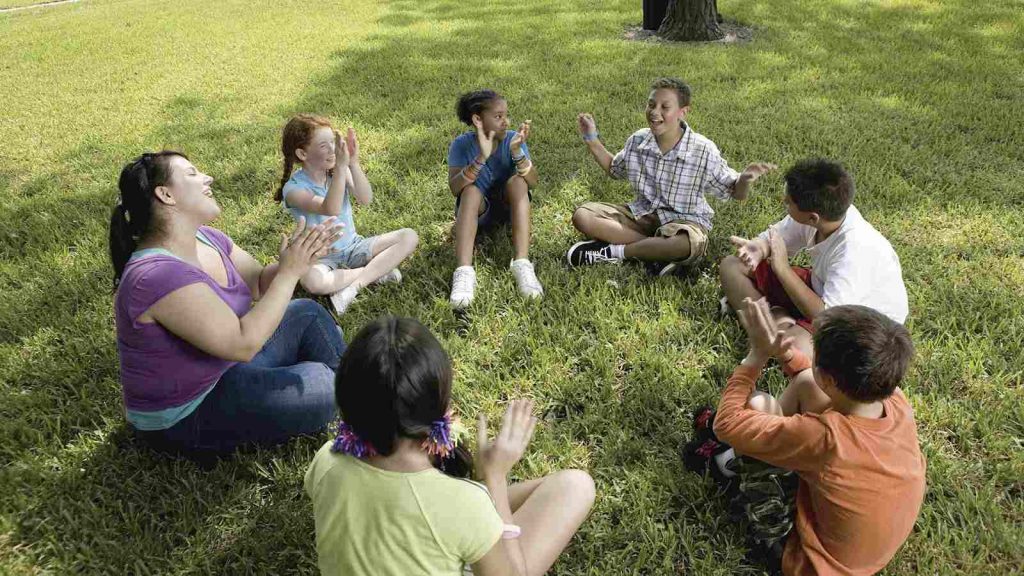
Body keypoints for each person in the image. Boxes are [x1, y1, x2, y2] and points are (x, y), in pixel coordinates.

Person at [305, 316, 595, 575]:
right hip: (461, 523)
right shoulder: (462, 505)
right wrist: (493, 478)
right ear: (439, 403)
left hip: (442, 526)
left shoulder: (327, 461)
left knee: (564, 486)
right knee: (576, 486)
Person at [110, 151, 345, 457]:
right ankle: (348, 391)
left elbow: (259, 283)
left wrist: (295, 260)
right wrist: (289, 274)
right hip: (189, 411)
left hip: (224, 367)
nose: (208, 178)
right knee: (324, 384)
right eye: (193, 174)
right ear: (165, 194)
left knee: (307, 314)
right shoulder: (156, 275)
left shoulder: (207, 238)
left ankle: (351, 389)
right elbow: (242, 344)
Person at [713, 298, 926, 575]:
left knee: (757, 405)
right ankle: (765, 442)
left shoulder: (826, 439)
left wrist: (756, 356)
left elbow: (725, 424)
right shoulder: (895, 402)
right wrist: (786, 355)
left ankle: (737, 461)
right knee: (805, 383)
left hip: (810, 563)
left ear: (829, 379)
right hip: (864, 553)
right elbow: (815, 381)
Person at [568, 77, 775, 275]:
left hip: (686, 224)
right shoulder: (638, 141)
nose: (654, 112)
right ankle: (657, 251)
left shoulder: (702, 150)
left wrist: (745, 179)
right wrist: (591, 138)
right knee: (583, 216)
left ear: (682, 112)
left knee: (686, 244)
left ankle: (615, 252)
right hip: (643, 215)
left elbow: (734, 192)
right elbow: (615, 169)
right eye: (651, 104)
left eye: (664, 107)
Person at [720, 158, 909, 360]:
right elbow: (776, 236)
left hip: (858, 324)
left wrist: (782, 269)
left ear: (813, 217)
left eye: (788, 202)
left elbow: (826, 317)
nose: (784, 202)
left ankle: (774, 324)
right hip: (820, 288)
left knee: (794, 349)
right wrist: (758, 248)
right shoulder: (825, 216)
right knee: (732, 265)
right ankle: (774, 320)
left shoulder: (854, 252)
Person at [277, 114, 418, 314]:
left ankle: (353, 287)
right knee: (312, 282)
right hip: (321, 259)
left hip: (353, 246)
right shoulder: (293, 189)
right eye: (323, 145)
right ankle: (376, 273)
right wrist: (342, 168)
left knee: (409, 236)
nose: (333, 149)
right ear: (302, 154)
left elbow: (365, 199)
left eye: (333, 143)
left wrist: (353, 164)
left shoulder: (337, 172)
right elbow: (330, 208)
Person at [447, 89, 543, 309]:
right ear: (478, 120)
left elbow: (533, 182)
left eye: (506, 115)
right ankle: (463, 272)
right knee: (470, 191)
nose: (505, 121)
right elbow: (455, 188)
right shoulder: (461, 145)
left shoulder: (512, 139)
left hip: (510, 210)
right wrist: (482, 156)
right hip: (478, 213)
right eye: (498, 116)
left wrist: (517, 152)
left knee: (519, 182)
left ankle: (522, 263)